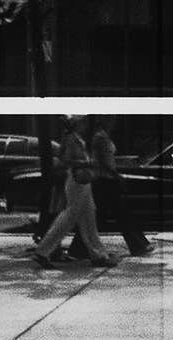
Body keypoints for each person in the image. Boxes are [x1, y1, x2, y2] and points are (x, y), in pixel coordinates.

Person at [31, 115, 114, 269]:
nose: (84, 125)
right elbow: (66, 161)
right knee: (70, 216)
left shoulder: (74, 137)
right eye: (81, 122)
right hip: (78, 179)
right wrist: (89, 163)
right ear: (76, 124)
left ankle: (98, 255)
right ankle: (43, 252)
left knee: (88, 216)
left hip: (81, 180)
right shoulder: (71, 139)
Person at [68, 116, 154, 259]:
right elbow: (102, 161)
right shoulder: (100, 138)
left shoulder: (103, 137)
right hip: (105, 180)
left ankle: (79, 249)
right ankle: (138, 245)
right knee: (120, 213)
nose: (114, 124)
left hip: (106, 179)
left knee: (99, 217)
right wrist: (116, 175)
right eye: (111, 121)